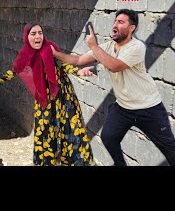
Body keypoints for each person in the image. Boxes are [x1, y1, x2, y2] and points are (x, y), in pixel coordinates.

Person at [51, 9, 175, 166]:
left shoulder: (137, 47)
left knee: (170, 149)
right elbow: (78, 60)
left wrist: (94, 46)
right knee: (109, 137)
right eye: (115, 21)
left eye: (121, 22)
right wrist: (55, 53)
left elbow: (114, 66)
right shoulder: (108, 46)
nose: (115, 25)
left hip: (149, 107)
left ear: (132, 28)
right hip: (124, 107)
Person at [0, 22, 94, 166]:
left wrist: (78, 71)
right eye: (33, 34)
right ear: (27, 36)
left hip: (63, 96)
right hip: (44, 100)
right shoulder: (25, 55)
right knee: (45, 133)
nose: (38, 36)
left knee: (70, 129)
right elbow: (13, 72)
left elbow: (63, 64)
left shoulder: (50, 48)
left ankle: (71, 162)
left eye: (40, 33)